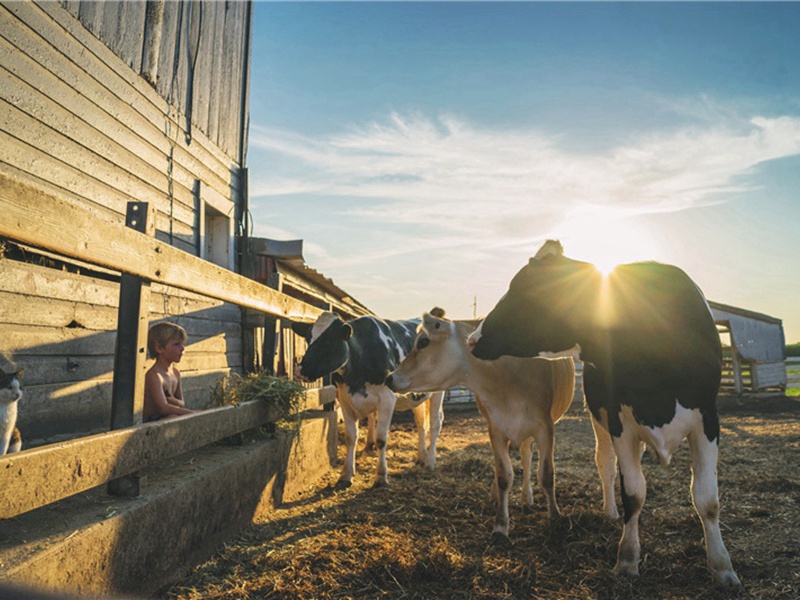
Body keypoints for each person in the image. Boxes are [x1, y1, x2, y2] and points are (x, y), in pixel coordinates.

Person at [143, 322, 196, 422]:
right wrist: (192, 413)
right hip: (153, 422)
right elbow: (162, 408)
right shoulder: (154, 375)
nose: (182, 348)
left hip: (170, 417)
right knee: (175, 418)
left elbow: (182, 403)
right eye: (177, 344)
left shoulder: (175, 372)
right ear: (159, 348)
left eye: (182, 344)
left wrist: (175, 401)